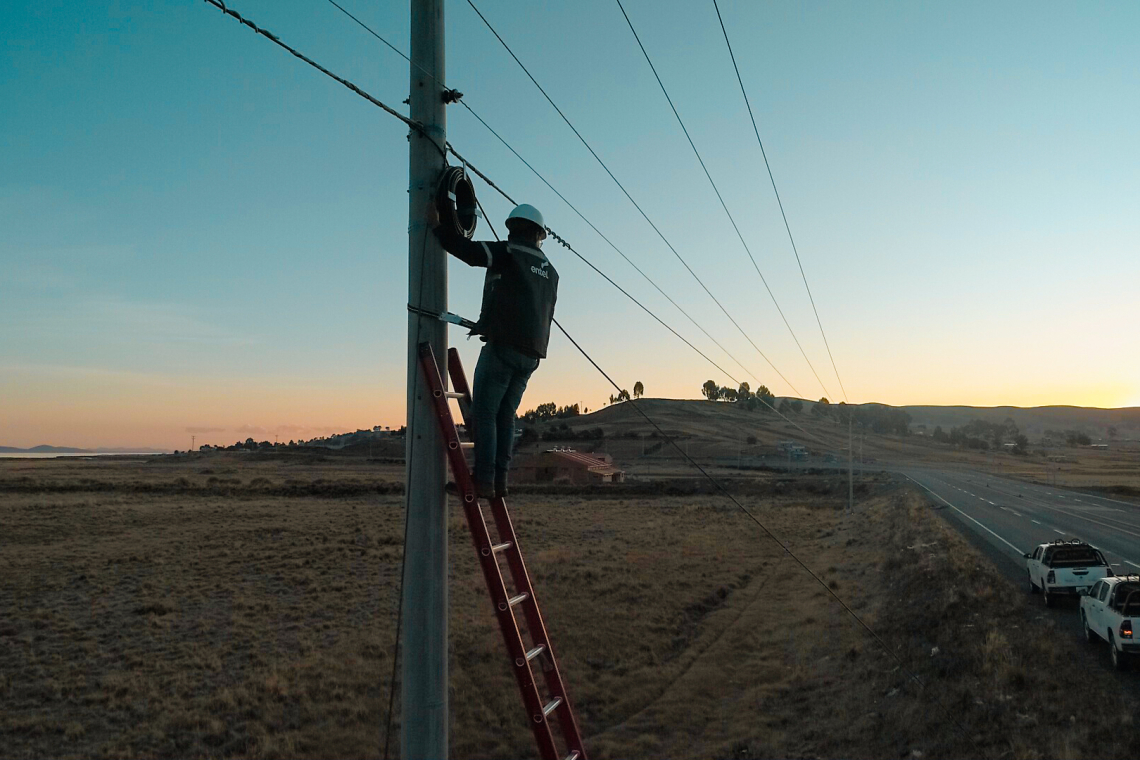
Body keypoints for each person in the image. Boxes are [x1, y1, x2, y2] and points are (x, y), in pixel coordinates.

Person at [427, 201, 558, 500]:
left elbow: (471, 253)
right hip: (532, 354)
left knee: (485, 414)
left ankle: (483, 480)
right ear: (539, 234)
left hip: (503, 347)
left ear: (514, 229)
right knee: (505, 416)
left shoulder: (509, 253)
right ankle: (499, 482)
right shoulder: (551, 273)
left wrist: (437, 227)